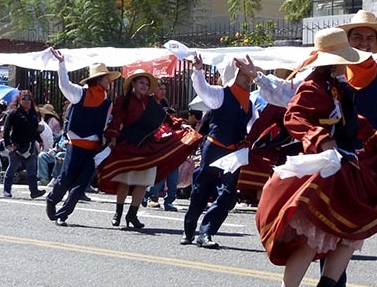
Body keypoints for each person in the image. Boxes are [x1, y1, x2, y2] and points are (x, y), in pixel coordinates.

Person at [238, 10, 377, 287]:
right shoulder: (322, 76)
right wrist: (261, 79)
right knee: (321, 226)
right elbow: (291, 103)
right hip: (328, 157)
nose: (364, 43)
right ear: (347, 40)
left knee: (348, 230)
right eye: (358, 37)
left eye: (370, 38)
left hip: (362, 162)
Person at [252, 27, 377, 287]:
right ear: (332, 60)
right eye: (344, 57)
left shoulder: (336, 85)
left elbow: (350, 119)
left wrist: (374, 136)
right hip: (326, 168)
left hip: (343, 164)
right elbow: (294, 116)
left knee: (351, 234)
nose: (348, 63)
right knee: (310, 239)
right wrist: (321, 139)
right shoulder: (315, 84)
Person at [98, 69, 202, 229]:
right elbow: (116, 120)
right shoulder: (124, 100)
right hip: (128, 145)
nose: (144, 86)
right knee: (124, 181)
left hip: (148, 147)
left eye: (147, 84)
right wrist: (112, 136)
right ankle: (118, 213)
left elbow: (167, 119)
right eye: (141, 82)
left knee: (142, 182)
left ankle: (132, 214)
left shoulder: (152, 103)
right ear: (133, 83)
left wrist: (181, 124)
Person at [181, 55, 259, 249]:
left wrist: (249, 140)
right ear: (233, 74)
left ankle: (206, 232)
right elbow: (203, 89)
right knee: (201, 189)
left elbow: (253, 125)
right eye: (243, 74)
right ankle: (189, 229)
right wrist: (198, 71)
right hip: (214, 148)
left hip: (234, 154)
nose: (247, 79)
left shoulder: (250, 102)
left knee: (227, 194)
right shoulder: (221, 94)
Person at [46, 50, 121, 226]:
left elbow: (103, 124)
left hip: (93, 148)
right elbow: (64, 84)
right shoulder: (80, 93)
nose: (109, 82)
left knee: (82, 184)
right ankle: (51, 200)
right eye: (106, 78)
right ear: (98, 79)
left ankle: (63, 215)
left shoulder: (106, 101)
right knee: (66, 179)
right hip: (76, 146)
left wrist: (107, 139)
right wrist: (62, 64)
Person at [142, 80, 180, 211]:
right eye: (160, 88)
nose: (163, 91)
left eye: (164, 89)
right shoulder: (148, 102)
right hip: (153, 142)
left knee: (172, 172)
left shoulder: (165, 103)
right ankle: (149, 194)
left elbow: (170, 120)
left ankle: (169, 200)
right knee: (160, 172)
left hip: (167, 141)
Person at [2, 90, 46, 199]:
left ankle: (34, 191)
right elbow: (6, 130)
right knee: (12, 167)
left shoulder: (34, 114)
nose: (27, 101)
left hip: (30, 145)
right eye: (24, 99)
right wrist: (8, 145)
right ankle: (6, 190)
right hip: (15, 145)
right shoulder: (13, 113)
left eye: (29, 99)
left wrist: (40, 140)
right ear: (19, 100)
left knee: (32, 169)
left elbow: (34, 130)